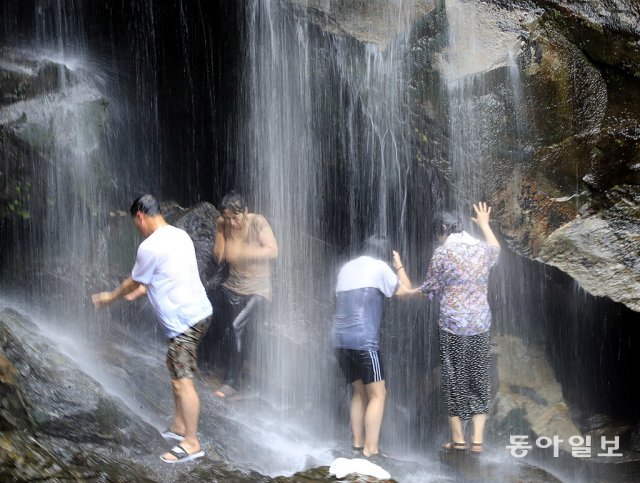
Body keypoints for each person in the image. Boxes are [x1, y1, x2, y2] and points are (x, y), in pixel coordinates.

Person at [92, 194, 213, 464]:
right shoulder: (179, 235)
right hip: (201, 313)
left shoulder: (150, 246)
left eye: (136, 224)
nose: (138, 229)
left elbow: (131, 282)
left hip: (185, 322)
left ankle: (192, 443)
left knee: (183, 382)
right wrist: (147, 287)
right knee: (174, 366)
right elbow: (173, 270)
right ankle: (179, 426)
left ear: (140, 216)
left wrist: (110, 298)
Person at [418, 202, 500, 454]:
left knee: (454, 378)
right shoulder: (481, 250)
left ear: (443, 228)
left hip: (453, 325)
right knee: (478, 378)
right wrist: (485, 225)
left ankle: (458, 439)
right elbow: (496, 249)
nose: (438, 237)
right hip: (479, 324)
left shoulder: (442, 253)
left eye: (437, 232)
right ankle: (477, 440)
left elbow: (430, 287)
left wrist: (409, 288)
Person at [331, 235, 415, 460]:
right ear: (385, 256)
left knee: (359, 392)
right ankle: (371, 449)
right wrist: (398, 264)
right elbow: (406, 292)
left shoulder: (346, 267)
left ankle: (357, 446)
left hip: (339, 341)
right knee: (378, 395)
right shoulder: (380, 267)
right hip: (363, 341)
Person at [211, 192, 278, 398]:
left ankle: (233, 382)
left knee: (236, 325)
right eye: (228, 218)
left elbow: (273, 250)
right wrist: (220, 231)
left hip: (258, 290)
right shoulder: (223, 224)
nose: (232, 222)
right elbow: (220, 257)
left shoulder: (258, 222)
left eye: (236, 218)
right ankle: (203, 361)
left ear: (245, 213)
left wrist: (244, 252)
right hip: (232, 287)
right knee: (207, 309)